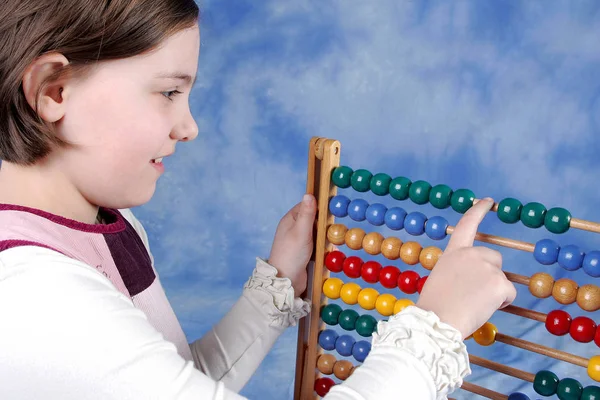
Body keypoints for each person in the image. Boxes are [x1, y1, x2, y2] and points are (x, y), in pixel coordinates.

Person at [0, 1, 517, 399]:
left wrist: (274, 286)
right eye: (167, 92)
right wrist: (436, 328)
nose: (189, 127)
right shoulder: (35, 297)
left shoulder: (104, 223)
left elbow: (168, 381)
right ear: (54, 90)